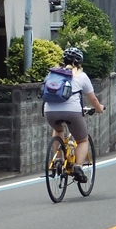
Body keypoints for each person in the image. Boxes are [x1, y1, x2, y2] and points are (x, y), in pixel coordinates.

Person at [43, 47, 104, 182]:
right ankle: (78, 167)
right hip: (72, 112)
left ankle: (58, 160)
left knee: (58, 129)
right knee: (82, 140)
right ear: (80, 62)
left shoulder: (52, 74)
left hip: (49, 111)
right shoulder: (81, 76)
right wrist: (99, 108)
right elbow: (93, 99)